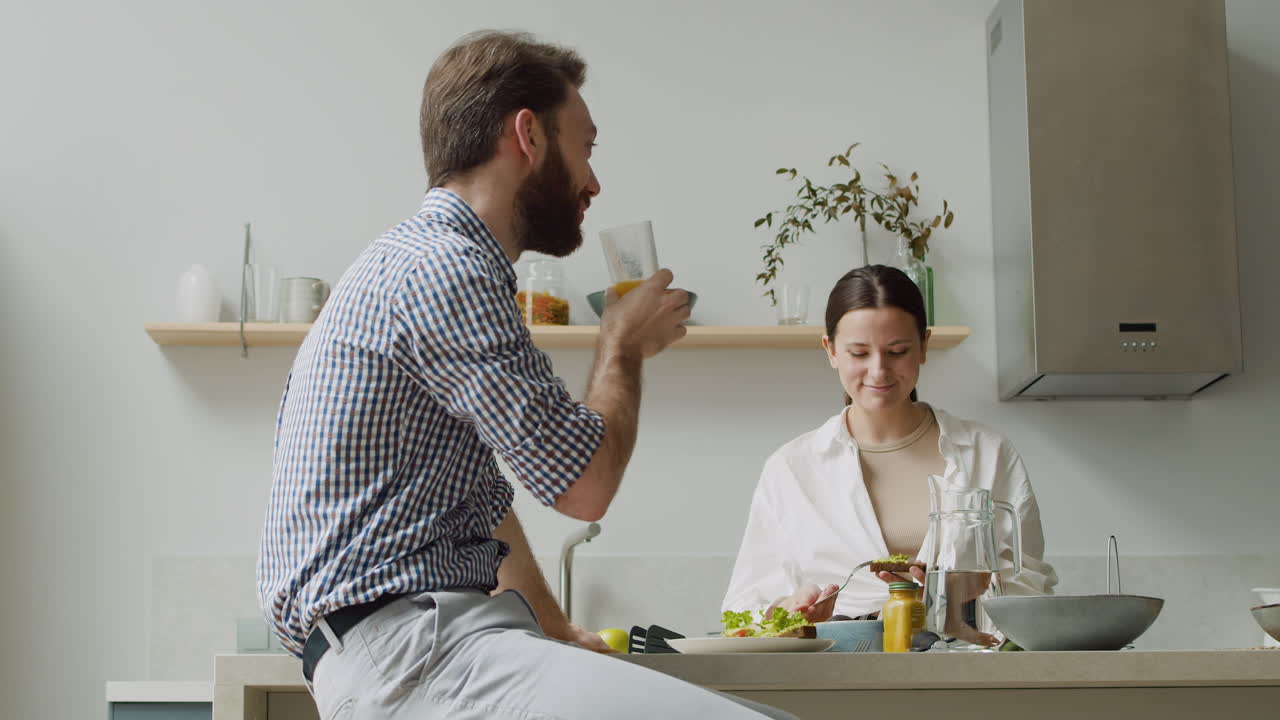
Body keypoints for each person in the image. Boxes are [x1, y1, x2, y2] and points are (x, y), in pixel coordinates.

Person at [257, 30, 795, 720]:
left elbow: (483, 499)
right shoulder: (447, 269)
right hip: (416, 653)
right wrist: (621, 345)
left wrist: (550, 625)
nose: (594, 181)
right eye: (586, 146)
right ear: (528, 137)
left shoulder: (415, 262)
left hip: (406, 649)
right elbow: (584, 486)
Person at [721, 265, 1057, 645]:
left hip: (965, 669)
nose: (879, 371)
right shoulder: (792, 468)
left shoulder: (987, 453)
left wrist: (975, 587)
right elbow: (745, 608)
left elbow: (1033, 588)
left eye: (897, 351)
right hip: (833, 674)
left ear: (924, 346)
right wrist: (789, 612)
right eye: (859, 353)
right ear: (830, 350)